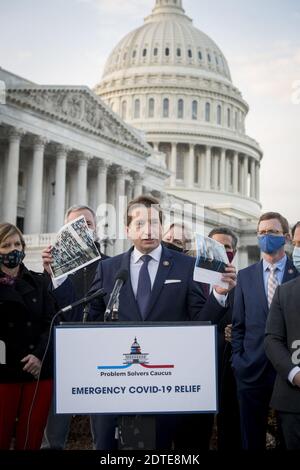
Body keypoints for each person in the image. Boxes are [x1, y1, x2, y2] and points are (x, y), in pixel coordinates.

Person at [88, 195, 237, 449]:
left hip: (166, 385)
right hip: (117, 384)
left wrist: (218, 295)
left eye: (154, 223)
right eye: (140, 223)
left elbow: (200, 325)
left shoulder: (186, 266)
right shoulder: (109, 269)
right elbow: (90, 321)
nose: (148, 230)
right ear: (127, 229)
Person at [41, 205, 109, 450]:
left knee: (102, 432)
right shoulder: (52, 270)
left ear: (95, 229)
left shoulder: (111, 266)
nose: (82, 229)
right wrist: (53, 275)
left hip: (101, 356)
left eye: (87, 224)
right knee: (53, 435)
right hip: (64, 357)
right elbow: (53, 311)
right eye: (73, 225)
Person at [232, 212, 298, 450]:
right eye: (261, 233)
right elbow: (239, 325)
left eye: (272, 232)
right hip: (251, 370)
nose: (266, 237)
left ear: (287, 237)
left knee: (289, 438)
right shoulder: (245, 276)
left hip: (290, 371)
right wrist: (238, 361)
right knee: (251, 438)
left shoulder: (297, 274)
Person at [0, 223, 55, 450]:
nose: (14, 249)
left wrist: (38, 356)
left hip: (37, 372)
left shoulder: (40, 281)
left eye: (17, 244)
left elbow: (52, 322)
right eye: (6, 245)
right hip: (4, 372)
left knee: (31, 437)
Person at [208, 227, 242, 450]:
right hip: (198, 367)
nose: (221, 251)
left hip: (230, 370)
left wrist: (238, 332)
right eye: (215, 246)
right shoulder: (191, 281)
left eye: (227, 247)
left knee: (231, 431)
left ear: (234, 252)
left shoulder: (244, 284)